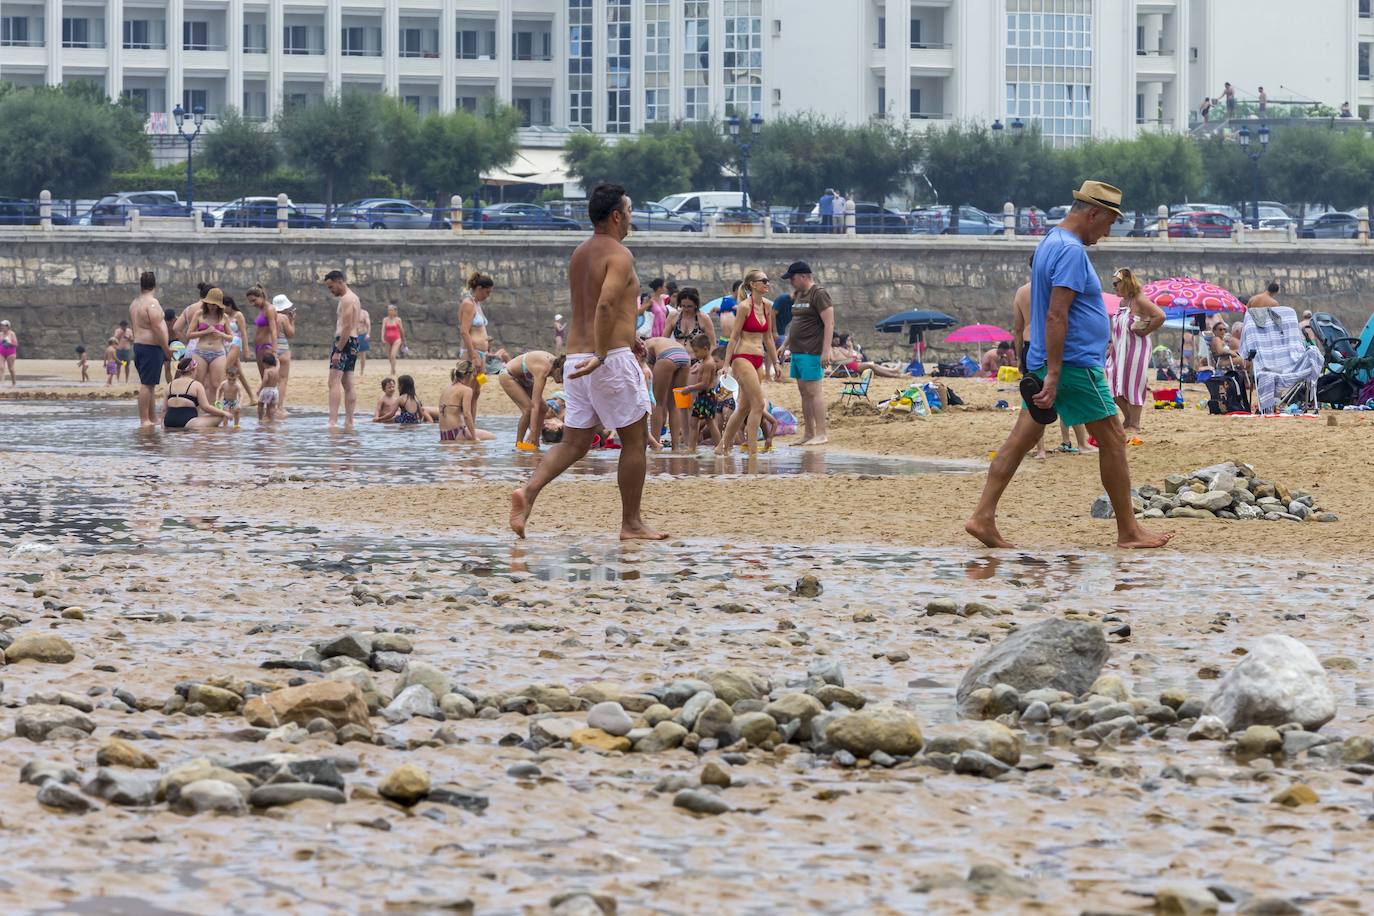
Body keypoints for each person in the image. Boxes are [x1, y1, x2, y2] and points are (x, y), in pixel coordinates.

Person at [965, 179, 1173, 550]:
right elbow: (1057, 315)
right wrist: (1058, 373)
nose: (1107, 233)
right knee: (1113, 438)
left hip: (1048, 360)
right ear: (1092, 213)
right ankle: (1129, 531)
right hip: (1074, 364)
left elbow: (1054, 312)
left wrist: (1048, 369)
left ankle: (983, 516)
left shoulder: (1049, 242)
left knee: (1019, 440)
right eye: (1107, 223)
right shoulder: (1072, 252)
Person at [509, 182, 664, 541]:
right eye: (628, 212)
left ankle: (527, 493)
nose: (630, 219)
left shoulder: (579, 253)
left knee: (575, 443)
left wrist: (631, 338)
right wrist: (605, 352)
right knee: (635, 440)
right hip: (604, 360)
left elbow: (596, 306)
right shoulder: (620, 255)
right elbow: (606, 305)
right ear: (615, 215)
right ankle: (632, 523)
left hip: (577, 359)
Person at [718, 268, 780, 456]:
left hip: (758, 358)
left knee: (744, 407)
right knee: (758, 404)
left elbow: (768, 338)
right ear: (753, 285)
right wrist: (726, 364)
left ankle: (720, 448)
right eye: (763, 281)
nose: (767, 284)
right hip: (742, 357)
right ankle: (753, 451)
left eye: (768, 280)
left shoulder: (768, 306)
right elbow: (734, 337)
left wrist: (776, 362)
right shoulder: (744, 307)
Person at [1106, 268, 1166, 432]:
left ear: (1124, 283)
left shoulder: (1139, 300)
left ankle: (1135, 423)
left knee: (1133, 383)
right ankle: (1128, 419)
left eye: (1115, 284)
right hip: (1119, 350)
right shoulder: (1122, 302)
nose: (1113, 287)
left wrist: (1146, 330)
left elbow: (1160, 316)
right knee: (1113, 384)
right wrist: (1112, 345)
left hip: (1136, 349)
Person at [781, 261, 834, 446]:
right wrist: (785, 343)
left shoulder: (818, 294)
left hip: (812, 350)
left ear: (803, 276)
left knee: (814, 391)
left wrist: (826, 351)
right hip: (797, 351)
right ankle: (809, 432)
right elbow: (796, 323)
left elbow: (829, 323)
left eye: (793, 278)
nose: (791, 282)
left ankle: (821, 433)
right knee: (804, 392)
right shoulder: (799, 295)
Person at [127, 271, 170, 427]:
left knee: (150, 384)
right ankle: (144, 419)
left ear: (141, 285)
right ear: (155, 285)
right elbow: (157, 327)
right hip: (150, 347)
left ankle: (152, 418)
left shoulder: (135, 303)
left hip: (139, 346)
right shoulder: (152, 303)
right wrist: (166, 348)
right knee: (146, 384)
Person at [499, 350, 564, 449]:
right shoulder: (543, 369)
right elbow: (535, 405)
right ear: (558, 370)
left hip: (525, 378)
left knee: (544, 408)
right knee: (528, 410)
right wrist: (533, 432)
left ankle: (535, 443)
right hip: (508, 375)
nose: (562, 381)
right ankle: (519, 445)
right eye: (562, 377)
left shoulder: (557, 363)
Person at [459, 272, 501, 426]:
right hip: (471, 355)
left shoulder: (477, 304)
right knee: (467, 392)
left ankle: (472, 424)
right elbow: (464, 331)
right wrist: (474, 355)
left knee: (477, 391)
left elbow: (481, 330)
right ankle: (463, 425)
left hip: (482, 355)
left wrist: (486, 349)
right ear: (478, 288)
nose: (488, 296)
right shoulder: (468, 304)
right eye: (487, 292)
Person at [325, 269, 361, 430]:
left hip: (344, 342)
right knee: (348, 382)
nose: (331, 291)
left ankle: (332, 421)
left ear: (340, 282)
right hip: (353, 341)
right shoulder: (354, 298)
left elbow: (346, 326)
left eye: (331, 287)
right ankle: (349, 421)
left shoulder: (347, 299)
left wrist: (338, 350)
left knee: (333, 381)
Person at [644, 337, 692, 450]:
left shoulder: (644, 348)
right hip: (684, 356)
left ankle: (655, 445)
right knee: (675, 405)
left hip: (667, 356)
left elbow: (649, 382)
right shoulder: (659, 341)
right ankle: (675, 447)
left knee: (658, 403)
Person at [186, 287, 233, 395]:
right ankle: (197, 409)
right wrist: (205, 332)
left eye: (215, 304)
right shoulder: (199, 314)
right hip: (200, 352)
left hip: (218, 353)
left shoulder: (224, 317)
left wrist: (220, 333)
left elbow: (230, 338)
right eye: (210, 304)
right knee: (198, 383)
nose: (212, 306)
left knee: (217, 384)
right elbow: (188, 335)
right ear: (206, 303)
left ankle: (215, 409)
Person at [164, 356, 231, 430]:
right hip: (188, 422)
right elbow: (206, 407)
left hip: (168, 421)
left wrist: (163, 425)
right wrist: (224, 413)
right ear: (193, 370)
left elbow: (164, 410)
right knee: (220, 416)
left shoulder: (169, 385)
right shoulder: (196, 385)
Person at [681, 332, 722, 450]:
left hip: (707, 396)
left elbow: (704, 384)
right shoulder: (704, 361)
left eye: (696, 351)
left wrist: (690, 388)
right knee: (693, 423)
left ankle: (719, 447)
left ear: (705, 348)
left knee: (710, 422)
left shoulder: (709, 364)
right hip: (703, 397)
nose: (695, 354)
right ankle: (692, 448)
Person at [438, 360, 495, 442]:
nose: (472, 378)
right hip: (457, 433)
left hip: (444, 435)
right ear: (468, 374)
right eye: (472, 375)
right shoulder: (467, 390)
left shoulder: (446, 389)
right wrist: (474, 437)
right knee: (492, 437)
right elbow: (467, 414)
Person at [221, 295, 256, 404]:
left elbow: (243, 333)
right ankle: (252, 397)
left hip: (235, 343)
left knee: (224, 369)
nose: (222, 309)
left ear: (230, 305)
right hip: (225, 343)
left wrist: (246, 350)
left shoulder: (238, 315)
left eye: (224, 307)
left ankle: (224, 397)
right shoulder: (223, 316)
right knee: (239, 373)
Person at [247, 285, 278, 380]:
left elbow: (273, 330)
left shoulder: (270, 309)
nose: (252, 304)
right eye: (250, 301)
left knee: (269, 378)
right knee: (263, 377)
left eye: (254, 300)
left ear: (261, 296)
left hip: (266, 347)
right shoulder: (262, 310)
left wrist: (274, 350)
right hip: (259, 347)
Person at [271, 294, 296, 415]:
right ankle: (279, 407)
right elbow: (291, 334)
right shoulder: (283, 318)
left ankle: (271, 406)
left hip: (271, 348)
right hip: (283, 349)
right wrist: (292, 321)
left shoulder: (270, 316)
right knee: (283, 380)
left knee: (272, 379)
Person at [381, 304, 405, 376]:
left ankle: (392, 370)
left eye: (391, 310)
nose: (390, 311)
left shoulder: (398, 320)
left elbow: (401, 330)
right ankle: (393, 368)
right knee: (389, 357)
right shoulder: (385, 319)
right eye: (389, 310)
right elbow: (383, 329)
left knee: (392, 355)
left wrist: (403, 340)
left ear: (395, 311)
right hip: (388, 339)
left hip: (396, 339)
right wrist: (382, 338)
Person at [257, 352, 281, 421]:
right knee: (272, 406)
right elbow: (278, 364)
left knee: (260, 404)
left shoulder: (267, 371)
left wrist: (260, 390)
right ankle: (271, 419)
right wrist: (276, 359)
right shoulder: (276, 369)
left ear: (266, 363)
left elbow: (265, 380)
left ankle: (260, 419)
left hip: (267, 389)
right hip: (275, 390)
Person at [355, 305, 373, 376]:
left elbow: (368, 324)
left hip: (362, 334)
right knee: (352, 353)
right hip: (353, 335)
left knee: (362, 354)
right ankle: (350, 369)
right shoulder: (352, 312)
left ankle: (362, 370)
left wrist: (368, 334)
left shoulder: (364, 313)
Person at [0, 320, 17, 386]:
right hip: (1, 353)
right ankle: (2, 383)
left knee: (11, 369)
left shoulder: (12, 333)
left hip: (11, 353)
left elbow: (16, 344)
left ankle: (14, 383)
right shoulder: (0, 334)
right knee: (1, 367)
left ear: (7, 326)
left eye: (3, 326)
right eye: (1, 325)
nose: (2, 327)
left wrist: (9, 343)